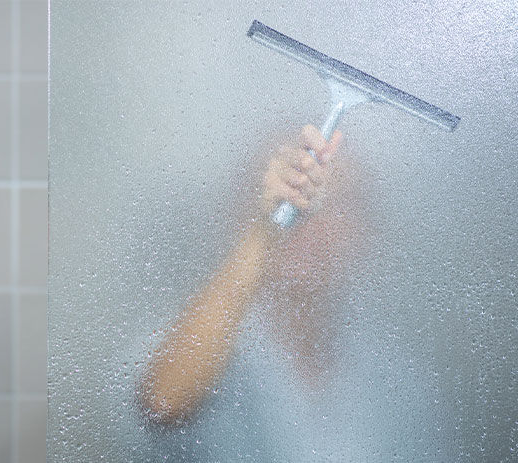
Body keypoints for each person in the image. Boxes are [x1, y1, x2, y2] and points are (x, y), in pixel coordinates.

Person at [138, 124, 371, 427]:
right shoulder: (195, 340)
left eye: (334, 205)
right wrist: (268, 228)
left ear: (367, 232)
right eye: (290, 198)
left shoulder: (388, 375)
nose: (307, 217)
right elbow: (162, 401)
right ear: (240, 210)